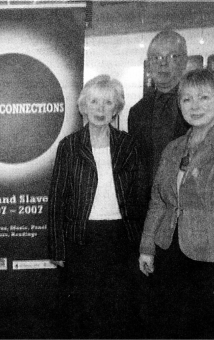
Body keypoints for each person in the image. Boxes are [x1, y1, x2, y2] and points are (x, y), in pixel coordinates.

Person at [48, 75, 144, 338]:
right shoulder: (69, 146)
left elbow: (139, 196)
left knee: (117, 310)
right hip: (82, 238)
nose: (100, 109)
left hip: (121, 238)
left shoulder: (129, 145)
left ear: (117, 108)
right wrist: (57, 247)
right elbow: (57, 199)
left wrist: (144, 245)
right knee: (83, 311)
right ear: (84, 106)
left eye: (108, 102)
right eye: (94, 102)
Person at [139, 69, 214, 339]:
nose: (195, 106)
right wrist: (147, 246)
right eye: (187, 99)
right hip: (170, 253)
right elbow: (159, 201)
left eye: (204, 97)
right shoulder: (174, 147)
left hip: (211, 260)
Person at [128, 29, 214, 212]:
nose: (163, 63)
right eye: (156, 57)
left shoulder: (211, 108)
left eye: (172, 56)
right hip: (150, 210)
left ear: (185, 61)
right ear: (148, 65)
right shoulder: (137, 112)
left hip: (202, 209)